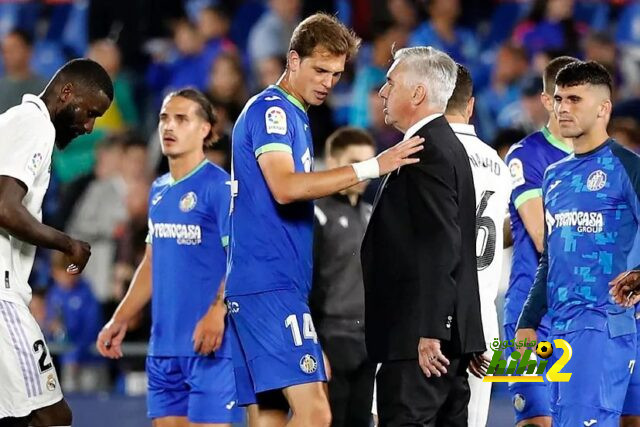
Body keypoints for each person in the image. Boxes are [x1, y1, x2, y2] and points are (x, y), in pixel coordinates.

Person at [226, 13, 423, 427]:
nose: (328, 82)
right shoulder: (272, 111)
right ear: (292, 59)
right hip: (270, 284)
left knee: (271, 416)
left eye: (336, 74)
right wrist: (372, 167)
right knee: (316, 413)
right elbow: (285, 185)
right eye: (320, 69)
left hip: (266, 283)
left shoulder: (296, 114)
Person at [96, 89, 241, 427]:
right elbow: (152, 261)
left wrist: (218, 311)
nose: (169, 127)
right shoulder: (159, 189)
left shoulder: (219, 187)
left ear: (205, 129)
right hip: (163, 346)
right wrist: (120, 317)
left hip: (209, 345)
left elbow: (241, 256)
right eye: (164, 118)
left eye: (181, 119)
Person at [361, 46, 485, 426]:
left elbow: (441, 244)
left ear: (417, 94)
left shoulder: (426, 149)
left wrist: (432, 331)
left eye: (390, 83)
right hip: (442, 339)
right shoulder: (444, 143)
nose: (382, 92)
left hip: (420, 343)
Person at [516, 61, 639, 427]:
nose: (562, 108)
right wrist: (527, 321)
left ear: (604, 108)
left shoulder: (626, 167)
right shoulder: (554, 175)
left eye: (574, 99)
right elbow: (550, 259)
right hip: (559, 328)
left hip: (603, 323)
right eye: (558, 98)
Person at [0, 58, 113, 427]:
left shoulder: (14, 124)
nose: (88, 125)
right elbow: (4, 207)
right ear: (66, 93)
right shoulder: (34, 124)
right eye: (89, 112)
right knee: (52, 416)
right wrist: (68, 244)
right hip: (2, 298)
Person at [503, 55, 576, 427]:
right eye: (564, 97)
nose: (571, 108)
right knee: (537, 421)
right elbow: (542, 237)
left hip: (586, 316)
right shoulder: (525, 155)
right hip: (530, 316)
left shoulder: (610, 162)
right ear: (547, 101)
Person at [444, 64, 511, 427]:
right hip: (484, 318)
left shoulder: (424, 153)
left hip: (434, 313)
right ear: (470, 106)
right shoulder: (498, 165)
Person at [309, 127, 377, 427]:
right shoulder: (314, 215)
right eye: (355, 162)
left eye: (368, 163)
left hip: (368, 341)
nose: (363, 172)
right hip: (330, 338)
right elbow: (304, 284)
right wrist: (313, 345)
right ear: (332, 160)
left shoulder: (370, 213)